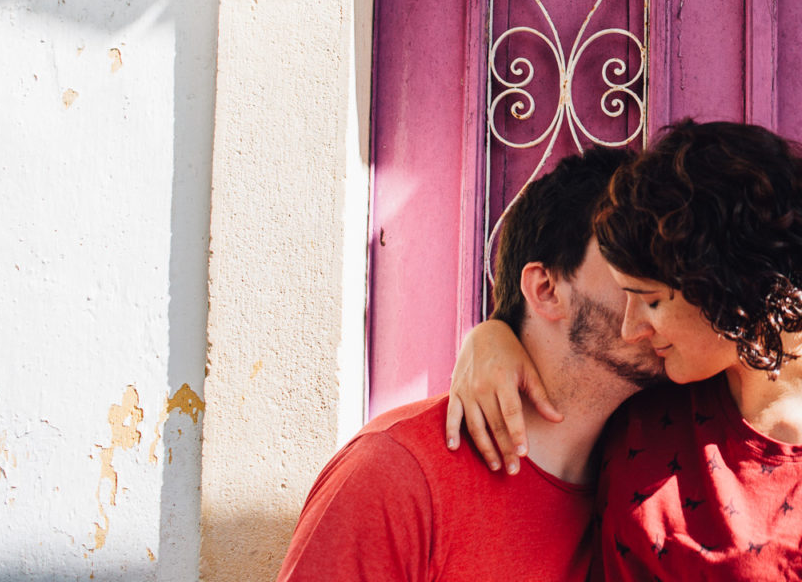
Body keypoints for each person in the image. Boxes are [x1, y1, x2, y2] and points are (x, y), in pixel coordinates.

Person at [447, 119, 802, 582]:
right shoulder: (665, 384)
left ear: (729, 288)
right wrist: (492, 336)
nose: (631, 327)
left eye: (650, 301)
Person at [275, 145, 662, 582]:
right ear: (546, 290)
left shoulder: (656, 469)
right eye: (633, 254)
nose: (667, 286)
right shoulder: (395, 474)